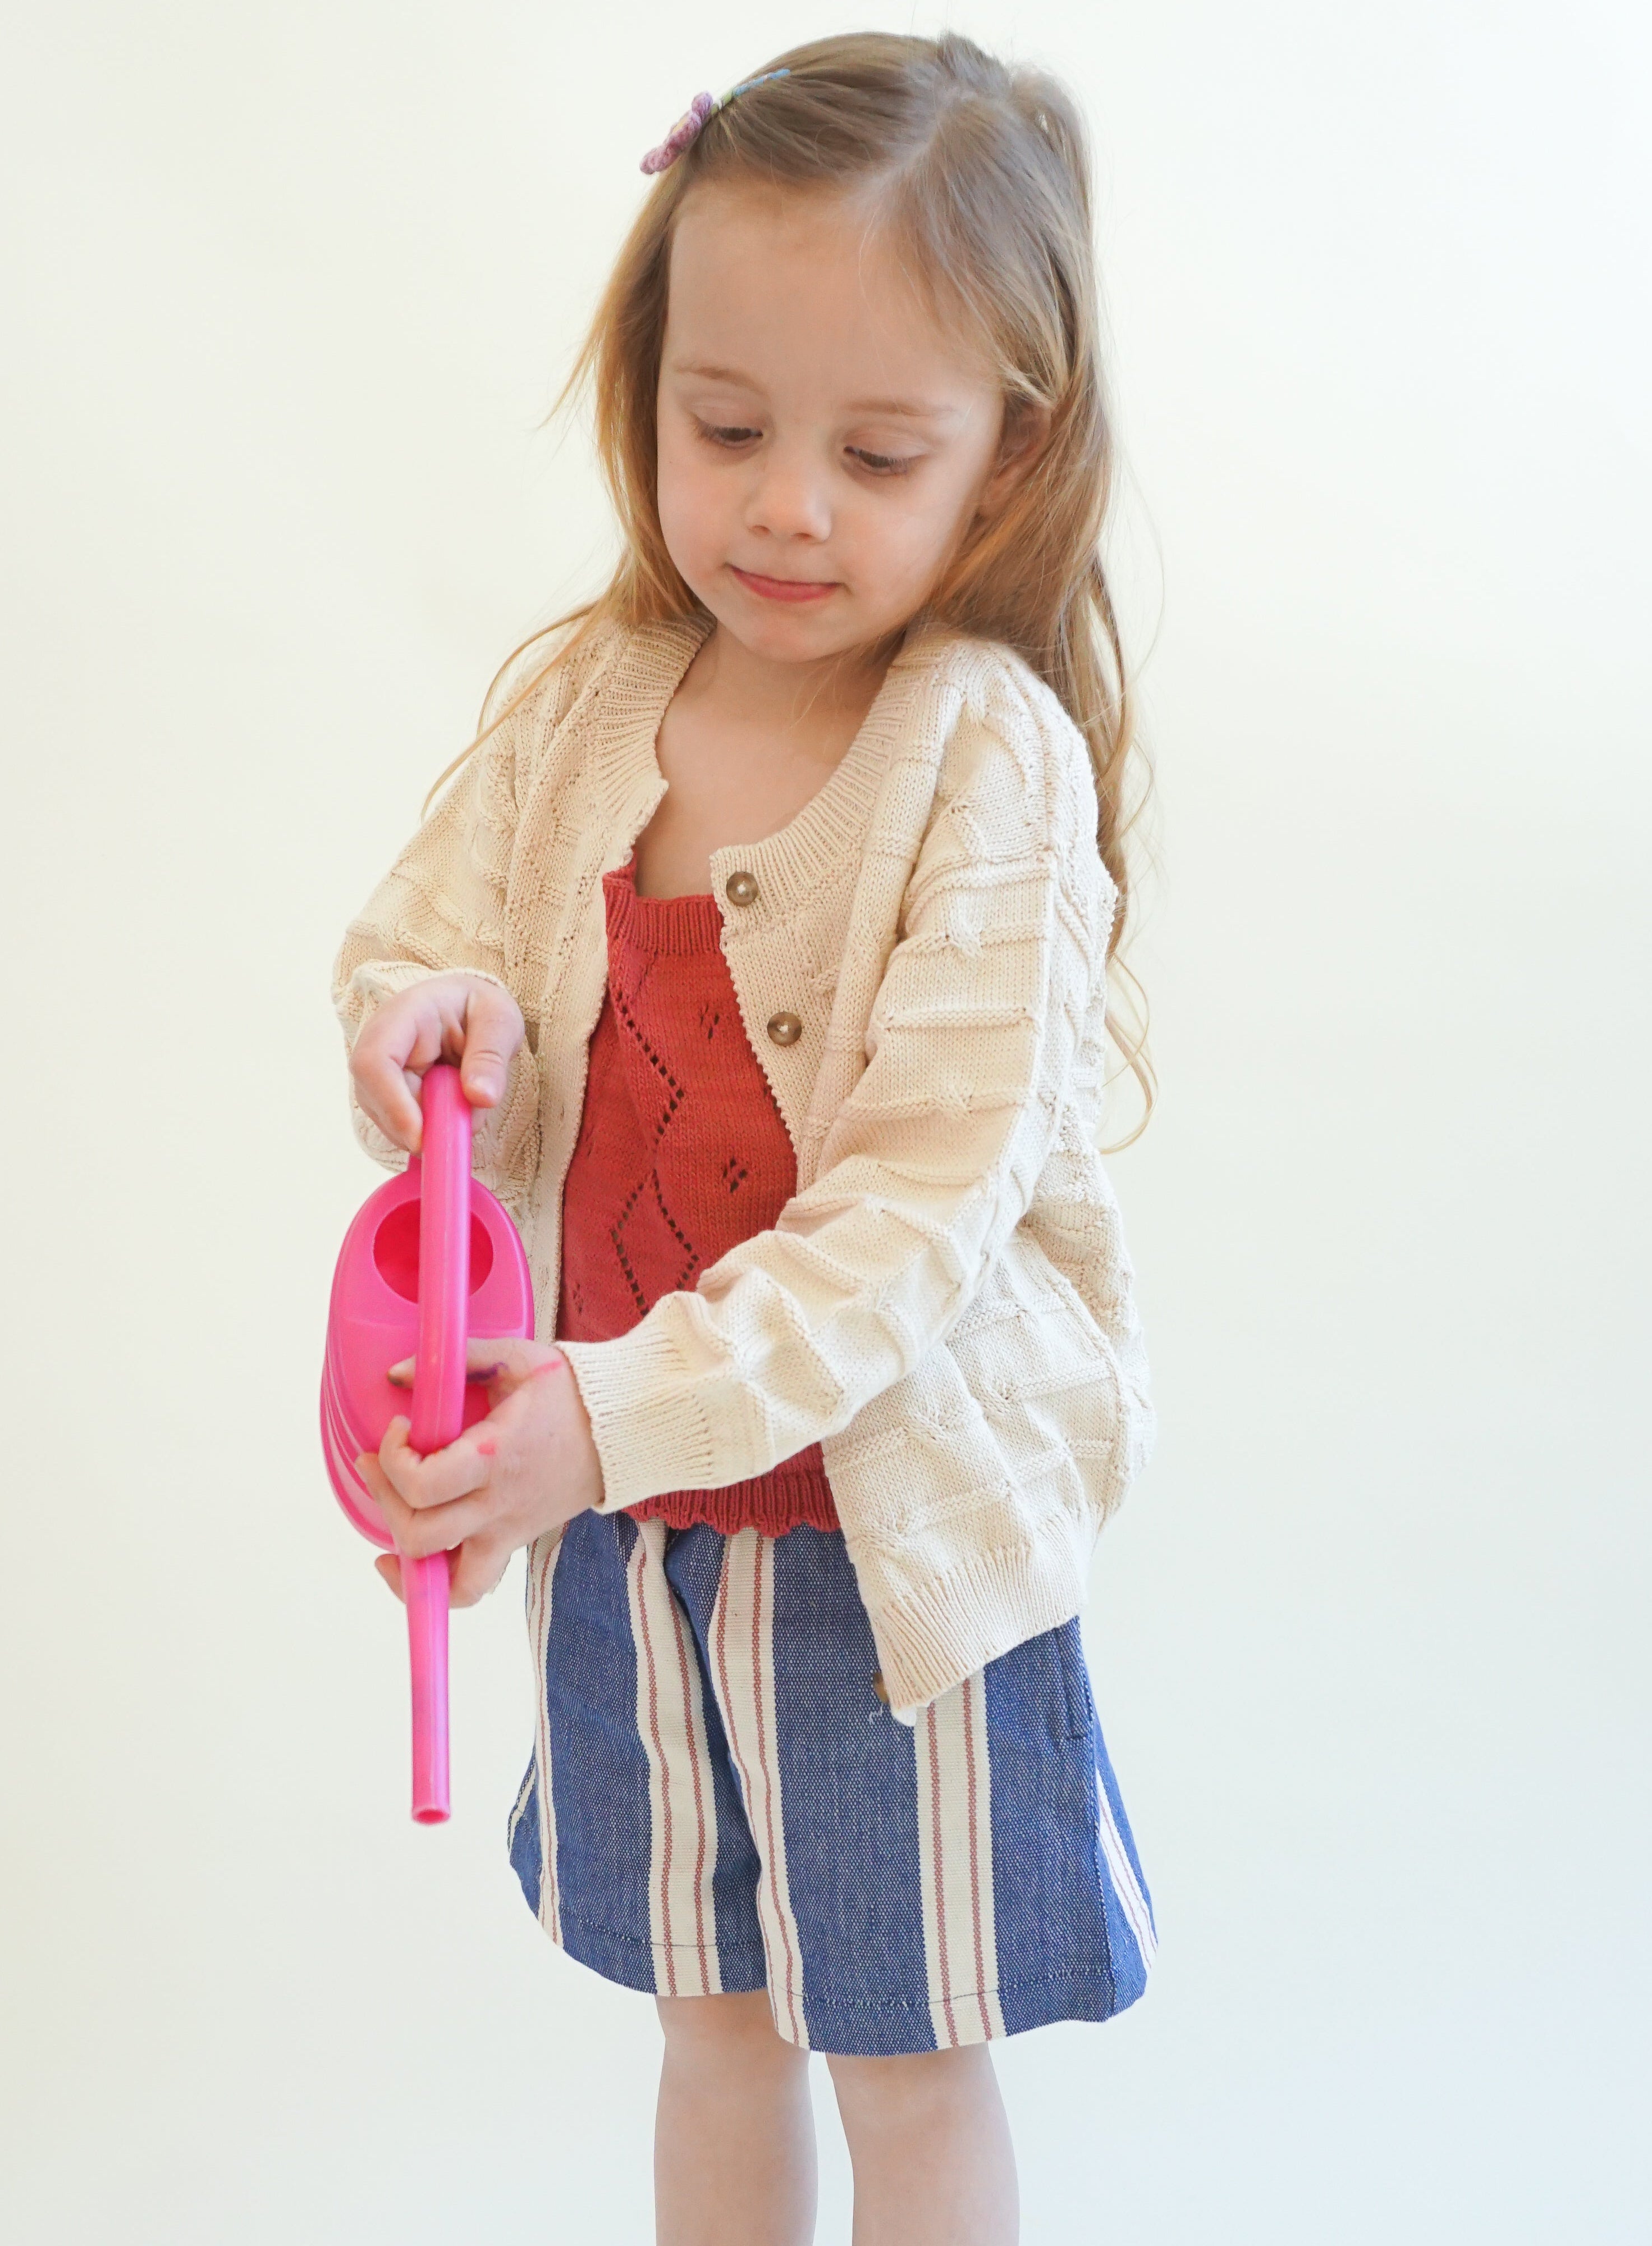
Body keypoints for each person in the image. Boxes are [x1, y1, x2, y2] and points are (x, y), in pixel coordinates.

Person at [332, 33, 1156, 2245]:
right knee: (707, 2021)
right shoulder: (592, 697)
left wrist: (603, 1415)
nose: (786, 503)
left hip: (880, 1566)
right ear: (649, 389)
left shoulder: (986, 763)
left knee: (899, 2054)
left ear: (1006, 455)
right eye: (726, 427)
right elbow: (415, 955)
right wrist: (435, 1025)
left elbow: (916, 1212)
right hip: (625, 1538)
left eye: (876, 450)